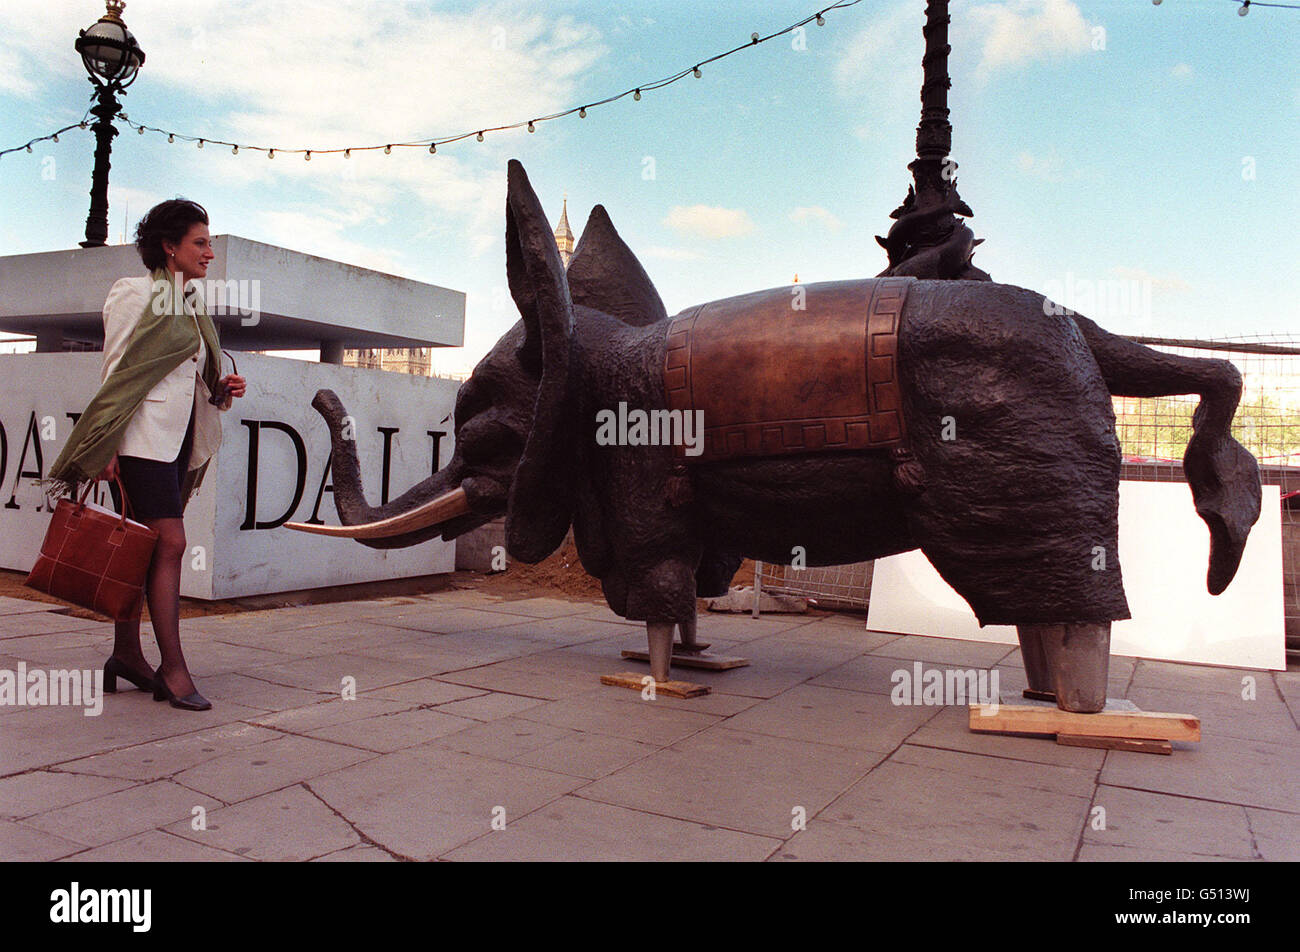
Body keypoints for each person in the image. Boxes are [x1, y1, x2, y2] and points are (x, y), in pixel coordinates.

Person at [47, 199, 246, 711]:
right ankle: (173, 668)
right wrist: (106, 446)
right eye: (200, 243)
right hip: (138, 440)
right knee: (172, 543)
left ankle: (125, 655)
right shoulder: (134, 294)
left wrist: (222, 388)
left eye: (210, 243)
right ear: (169, 246)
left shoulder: (194, 304)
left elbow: (191, 381)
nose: (210, 253)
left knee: (143, 547)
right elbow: (117, 376)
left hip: (178, 438)